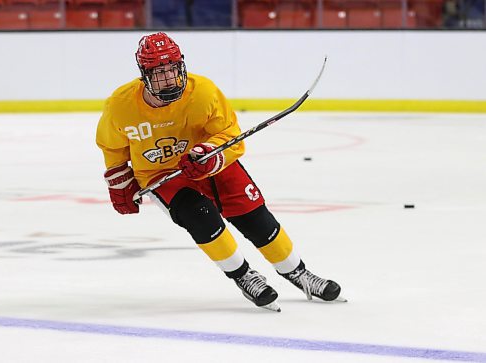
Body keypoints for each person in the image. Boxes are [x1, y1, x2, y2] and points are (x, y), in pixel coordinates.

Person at [96, 32, 342, 311]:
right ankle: (244, 276)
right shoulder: (120, 105)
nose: (169, 79)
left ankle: (296, 272)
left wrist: (208, 155)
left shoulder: (203, 91)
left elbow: (230, 135)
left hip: (211, 162)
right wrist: (119, 184)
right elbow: (112, 147)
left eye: (173, 70)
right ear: (145, 74)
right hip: (161, 175)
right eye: (160, 73)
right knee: (200, 216)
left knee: (254, 217)